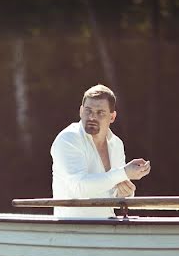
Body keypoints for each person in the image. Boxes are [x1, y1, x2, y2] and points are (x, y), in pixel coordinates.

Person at [50, 84, 151, 217]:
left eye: (100, 112)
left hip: (106, 227)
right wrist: (124, 173)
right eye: (88, 110)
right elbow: (79, 188)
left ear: (112, 117)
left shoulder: (117, 144)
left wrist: (125, 193)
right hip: (71, 229)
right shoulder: (68, 138)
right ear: (81, 111)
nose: (92, 117)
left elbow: (109, 189)